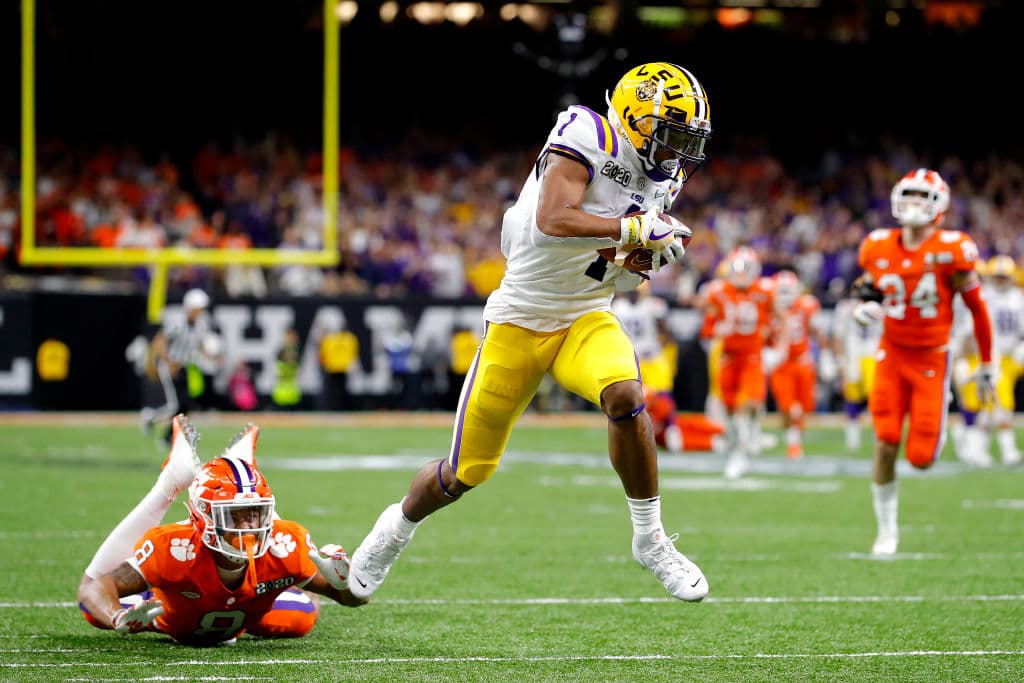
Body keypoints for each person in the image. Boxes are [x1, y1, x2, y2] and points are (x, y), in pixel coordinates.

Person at [346, 62, 711, 602]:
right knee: (463, 472)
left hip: (586, 312)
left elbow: (617, 266)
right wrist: (634, 229)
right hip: (521, 316)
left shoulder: (666, 177)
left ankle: (651, 539)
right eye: (670, 134)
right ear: (635, 118)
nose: (676, 152)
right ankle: (393, 532)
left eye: (687, 140)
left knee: (627, 394)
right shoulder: (587, 131)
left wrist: (644, 259)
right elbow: (553, 220)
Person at [77, 415, 363, 646]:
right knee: (93, 610)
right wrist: (117, 616)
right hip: (174, 615)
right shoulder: (173, 547)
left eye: (255, 513)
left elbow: (355, 599)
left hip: (247, 615)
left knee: (305, 616)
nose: (249, 526)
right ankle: (171, 483)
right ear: (202, 518)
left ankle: (243, 465)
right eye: (235, 516)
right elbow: (95, 589)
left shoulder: (286, 542)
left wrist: (347, 586)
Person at [851, 168, 994, 557]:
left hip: (933, 355)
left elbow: (978, 309)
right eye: (908, 195)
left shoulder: (954, 247)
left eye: (922, 196)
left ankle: (941, 408)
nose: (913, 203)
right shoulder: (878, 244)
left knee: (922, 459)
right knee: (885, 443)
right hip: (891, 353)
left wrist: (986, 363)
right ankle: (886, 531)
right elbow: (866, 286)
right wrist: (862, 306)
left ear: (938, 205)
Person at [698, 246, 777, 479]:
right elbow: (708, 322)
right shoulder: (718, 292)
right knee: (729, 407)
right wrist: (714, 330)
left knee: (751, 402)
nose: (742, 275)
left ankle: (744, 449)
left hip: (752, 357)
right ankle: (739, 440)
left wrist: (776, 348)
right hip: (728, 357)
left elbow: (779, 320)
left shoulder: (765, 292)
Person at [950, 255, 1024, 466]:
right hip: (986, 357)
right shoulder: (981, 296)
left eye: (1004, 277)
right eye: (997, 276)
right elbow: (968, 331)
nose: (1000, 281)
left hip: (1007, 357)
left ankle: (980, 449)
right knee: (990, 404)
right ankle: (990, 450)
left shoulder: (1018, 298)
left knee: (994, 406)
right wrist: (962, 357)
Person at [141, 289, 223, 444]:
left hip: (183, 366)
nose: (201, 312)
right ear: (191, 307)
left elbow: (198, 346)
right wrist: (168, 362)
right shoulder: (178, 323)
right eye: (199, 308)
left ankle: (167, 437)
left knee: (185, 406)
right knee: (174, 405)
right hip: (170, 366)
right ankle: (150, 417)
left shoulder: (201, 325)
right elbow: (159, 342)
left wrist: (213, 357)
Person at [767, 269, 830, 459]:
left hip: (803, 362)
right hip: (781, 364)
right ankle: (793, 443)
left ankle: (794, 437)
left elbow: (817, 330)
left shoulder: (806, 306)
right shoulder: (769, 307)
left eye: (788, 291)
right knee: (788, 406)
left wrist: (826, 355)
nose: (785, 297)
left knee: (804, 407)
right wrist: (767, 351)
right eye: (782, 291)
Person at [829, 286, 883, 452]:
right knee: (852, 396)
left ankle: (879, 434)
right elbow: (838, 336)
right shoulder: (845, 308)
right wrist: (839, 361)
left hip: (873, 353)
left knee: (876, 395)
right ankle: (853, 437)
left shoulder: (882, 307)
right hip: (852, 354)